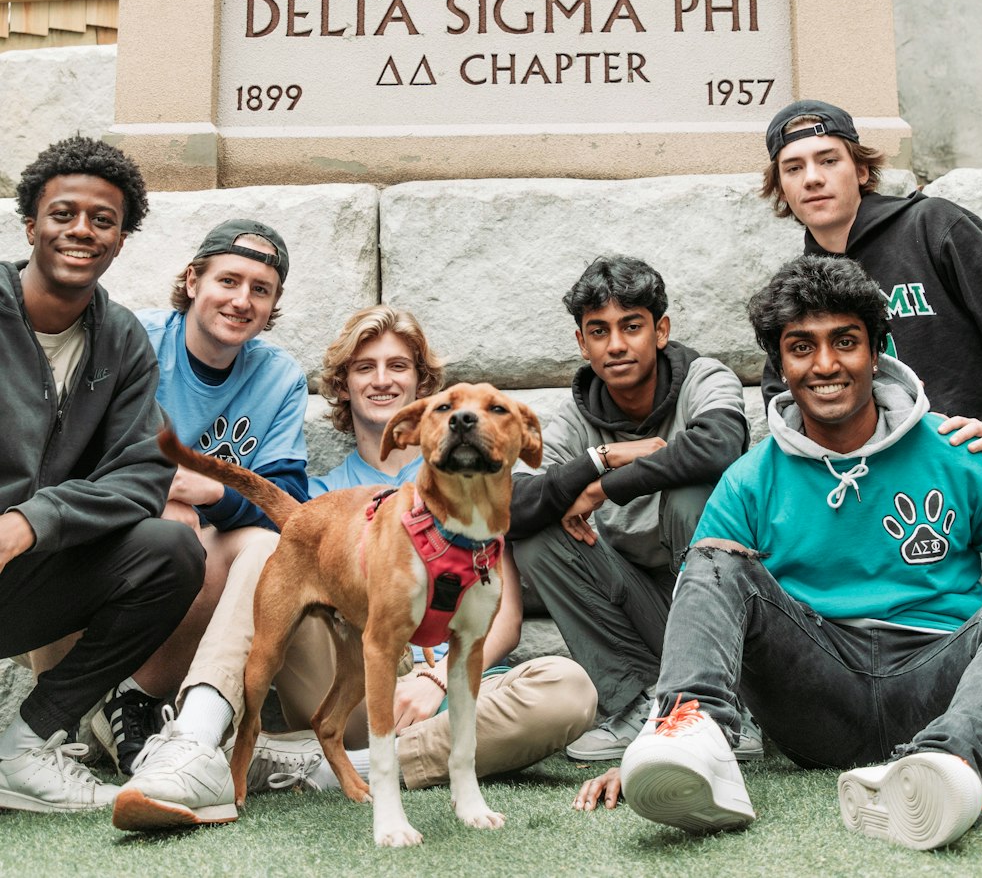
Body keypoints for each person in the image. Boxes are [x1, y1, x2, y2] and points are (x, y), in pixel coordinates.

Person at [576, 255, 982, 852]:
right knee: (716, 558)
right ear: (780, 363)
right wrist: (652, 741)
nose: (825, 365)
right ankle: (689, 735)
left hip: (940, 682)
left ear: (876, 350)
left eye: (845, 342)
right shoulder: (750, 479)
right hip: (813, 696)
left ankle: (948, 768)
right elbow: (704, 615)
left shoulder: (959, 451)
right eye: (802, 347)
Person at [305, 304, 598, 791]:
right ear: (342, 386)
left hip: (462, 681)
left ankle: (367, 767)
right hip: (374, 685)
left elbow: (503, 618)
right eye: (364, 368)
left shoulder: (476, 482)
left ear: (422, 386)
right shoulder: (322, 500)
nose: (382, 381)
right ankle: (395, 753)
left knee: (568, 689)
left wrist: (437, 678)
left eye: (398, 366)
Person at [0, 135, 204, 813]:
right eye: (64, 214)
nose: (82, 230)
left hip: (25, 574)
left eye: (103, 220)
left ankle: (24, 744)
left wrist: (32, 522)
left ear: (120, 239)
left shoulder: (121, 340)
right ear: (31, 223)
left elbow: (142, 475)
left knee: (171, 551)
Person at [106, 219, 333, 829]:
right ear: (192, 280)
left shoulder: (278, 375)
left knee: (262, 543)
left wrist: (211, 490)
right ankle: (129, 704)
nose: (242, 299)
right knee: (174, 527)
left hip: (205, 582)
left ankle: (188, 733)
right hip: (107, 572)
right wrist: (164, 493)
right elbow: (79, 457)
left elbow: (289, 506)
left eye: (261, 289)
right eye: (228, 279)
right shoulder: (136, 340)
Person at [510, 255, 749, 760]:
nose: (615, 345)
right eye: (599, 331)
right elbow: (512, 503)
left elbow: (719, 445)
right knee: (535, 536)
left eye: (631, 327)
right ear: (582, 343)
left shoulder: (704, 378)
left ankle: (728, 707)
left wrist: (606, 485)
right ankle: (641, 704)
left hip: (729, 615)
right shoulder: (578, 416)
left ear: (660, 331)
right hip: (641, 606)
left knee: (691, 493)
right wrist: (602, 457)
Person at [760, 98, 982, 426]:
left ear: (861, 170)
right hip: (867, 471)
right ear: (782, 190)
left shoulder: (933, 226)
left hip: (969, 456)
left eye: (828, 160)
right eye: (793, 168)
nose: (812, 179)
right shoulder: (798, 286)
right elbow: (781, 397)